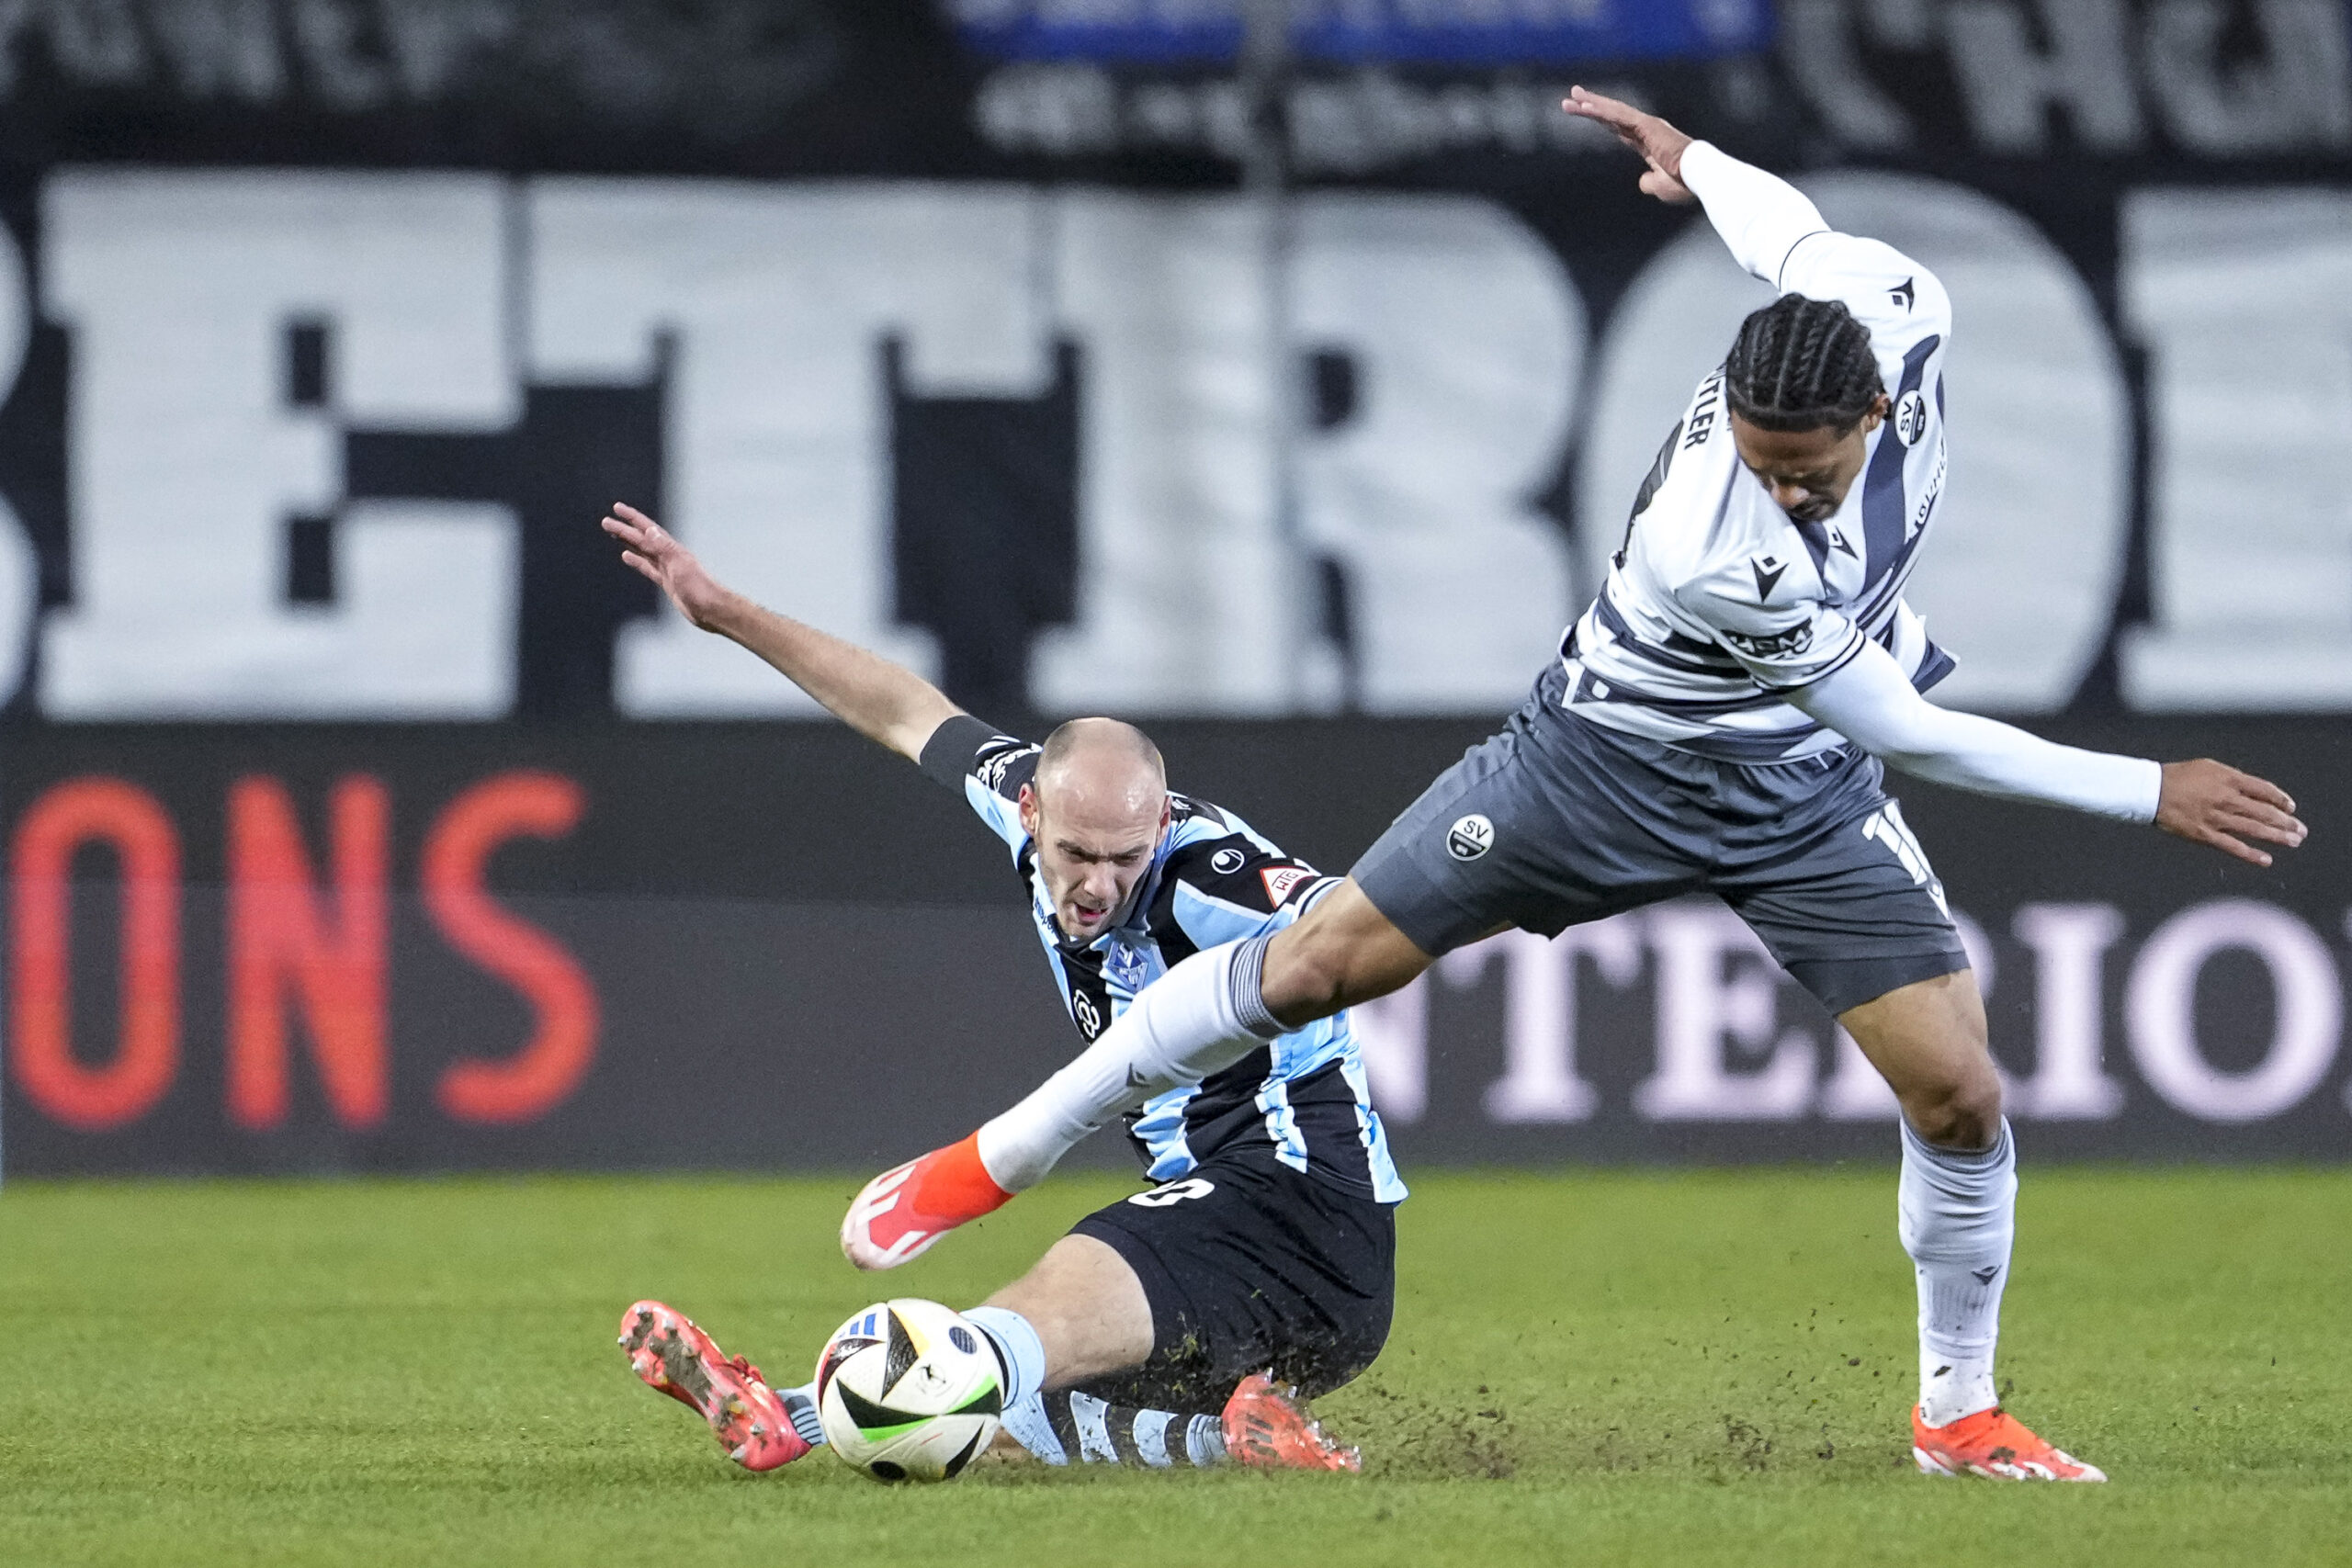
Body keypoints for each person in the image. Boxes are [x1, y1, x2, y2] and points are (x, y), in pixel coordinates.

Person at [840, 87, 2309, 1485]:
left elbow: (1789, 234)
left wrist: (1697, 161)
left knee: (1961, 1088)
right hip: (1601, 759)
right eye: (1761, 462)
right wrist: (2147, 785)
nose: (1783, 492)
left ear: (1876, 403)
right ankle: (1000, 1152)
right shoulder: (1715, 542)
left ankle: (1959, 1411)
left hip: (1796, 788)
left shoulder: (1896, 301)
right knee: (1319, 959)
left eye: (1806, 470)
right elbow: (1907, 727)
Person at [603, 502, 1399, 1474]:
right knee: (997, 1423)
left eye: (1126, 858)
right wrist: (725, 612)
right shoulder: (1018, 798)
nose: (1098, 884)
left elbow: (1374, 914)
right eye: (1075, 853)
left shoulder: (1218, 880)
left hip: (1294, 1211)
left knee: (1030, 1313)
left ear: (1160, 827)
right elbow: (902, 708)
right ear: (1029, 808)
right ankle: (1230, 1442)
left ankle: (797, 1415)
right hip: (1223, 1242)